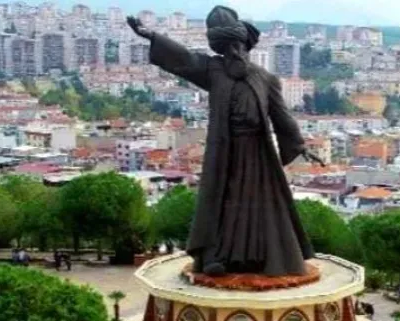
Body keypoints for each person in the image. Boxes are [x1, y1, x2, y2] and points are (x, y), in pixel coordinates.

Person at [127, 7, 324, 278]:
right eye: (227, 47)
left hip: (257, 152)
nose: (233, 52)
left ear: (244, 45)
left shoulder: (265, 79)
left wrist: (300, 145)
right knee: (224, 200)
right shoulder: (213, 70)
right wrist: (153, 37)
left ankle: (260, 256)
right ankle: (216, 255)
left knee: (257, 203)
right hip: (226, 150)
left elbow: (281, 116)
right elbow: (184, 58)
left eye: (236, 46)